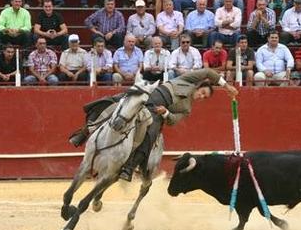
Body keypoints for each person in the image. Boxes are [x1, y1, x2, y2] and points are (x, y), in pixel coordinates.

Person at [68, 68, 238, 183]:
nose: (201, 97)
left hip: (157, 112)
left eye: (205, 98)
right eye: (203, 93)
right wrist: (226, 85)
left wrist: (165, 112)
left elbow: (173, 120)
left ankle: (129, 167)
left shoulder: (187, 108)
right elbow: (208, 72)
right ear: (199, 86)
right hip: (155, 94)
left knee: (151, 134)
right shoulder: (188, 80)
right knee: (116, 101)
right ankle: (85, 131)